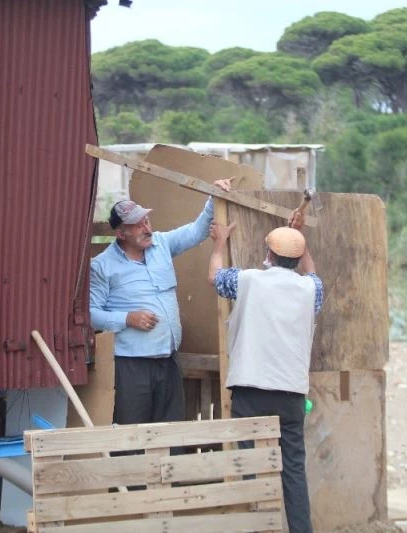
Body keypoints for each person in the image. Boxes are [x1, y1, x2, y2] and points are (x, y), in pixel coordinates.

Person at [207, 220, 323, 533]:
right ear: (297, 259)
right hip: (291, 393)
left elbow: (214, 277)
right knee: (294, 471)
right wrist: (301, 241)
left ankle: (256, 527)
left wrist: (219, 244)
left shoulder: (249, 280)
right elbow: (312, 272)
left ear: (268, 255)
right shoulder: (311, 289)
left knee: (249, 466)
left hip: (250, 388)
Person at [89, 179, 231, 425]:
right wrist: (127, 318)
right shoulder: (102, 266)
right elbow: (91, 314)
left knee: (170, 429)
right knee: (132, 432)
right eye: (137, 225)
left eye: (146, 220)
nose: (146, 228)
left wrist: (213, 196)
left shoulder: (161, 244)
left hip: (168, 359)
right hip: (131, 365)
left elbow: (196, 231)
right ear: (121, 233)